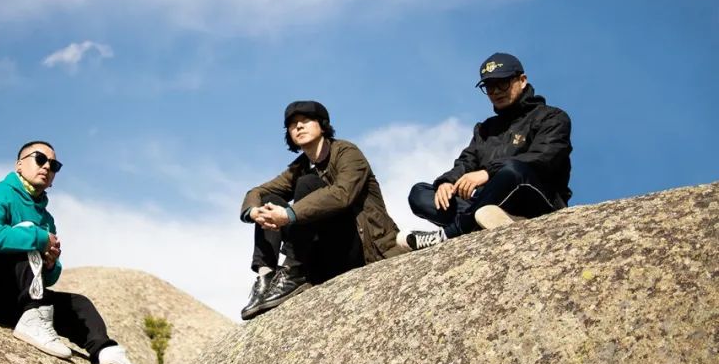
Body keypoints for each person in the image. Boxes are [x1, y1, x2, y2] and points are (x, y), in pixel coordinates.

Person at [0, 140, 154, 364]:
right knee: (26, 235)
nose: (47, 167)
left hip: (10, 298)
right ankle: (33, 318)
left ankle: (107, 354)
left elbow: (46, 277)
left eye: (54, 165)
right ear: (19, 165)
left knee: (78, 304)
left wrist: (50, 264)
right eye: (40, 159)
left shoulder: (46, 218)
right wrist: (39, 239)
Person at [238, 101, 403, 320]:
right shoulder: (301, 166)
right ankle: (266, 278)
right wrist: (253, 212)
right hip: (324, 255)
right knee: (268, 200)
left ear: (322, 125)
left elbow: (342, 194)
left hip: (358, 247)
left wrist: (288, 214)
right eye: (293, 124)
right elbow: (258, 191)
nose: (299, 126)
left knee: (307, 184)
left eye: (306, 120)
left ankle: (292, 270)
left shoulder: (347, 152)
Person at [397, 52, 572, 251]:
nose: (496, 91)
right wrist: (447, 182)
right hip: (486, 203)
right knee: (420, 193)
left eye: (502, 83)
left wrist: (488, 173)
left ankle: (450, 233)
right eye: (489, 86)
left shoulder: (552, 117)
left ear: (522, 80)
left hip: (535, 200)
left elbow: (544, 157)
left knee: (512, 171)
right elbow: (466, 161)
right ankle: (492, 220)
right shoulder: (485, 129)